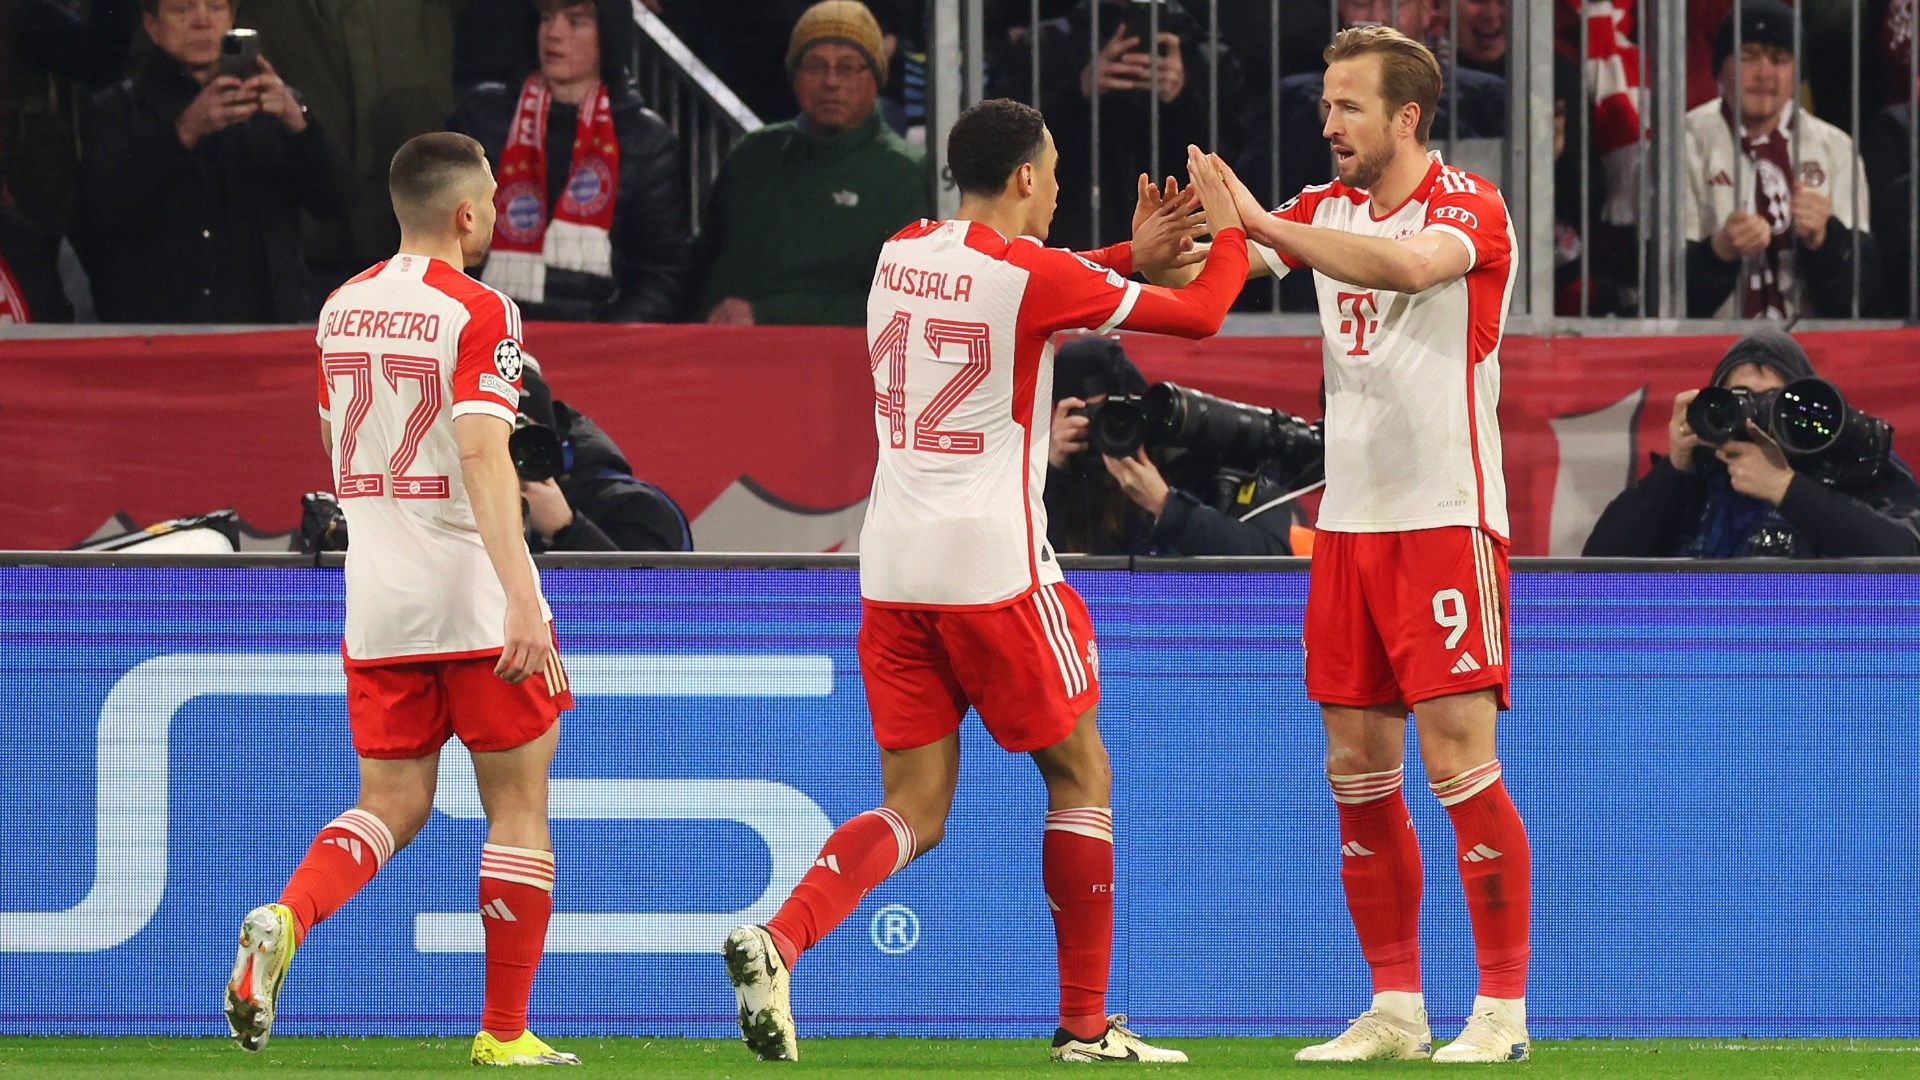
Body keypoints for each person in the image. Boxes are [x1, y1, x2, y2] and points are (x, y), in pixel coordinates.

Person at [721, 97, 1250, 1065]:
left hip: (891, 570)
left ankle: (781, 939)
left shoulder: (900, 250)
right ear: (1023, 180)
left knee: (912, 808)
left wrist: (1126, 255)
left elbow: (1027, 281)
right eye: (1048, 176)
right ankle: (1087, 1028)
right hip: (995, 569)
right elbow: (1206, 312)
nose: (1051, 192)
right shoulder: (1030, 277)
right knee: (1081, 773)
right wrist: (1234, 227)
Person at [1155, 23, 1530, 1063]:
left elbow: (1407, 271)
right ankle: (1397, 1008)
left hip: (1446, 523)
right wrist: (1149, 259)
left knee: (1461, 766)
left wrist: (1268, 222)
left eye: (1348, 106)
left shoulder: (1470, 207)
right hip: (1349, 532)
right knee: (1357, 770)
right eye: (1325, 106)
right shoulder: (1321, 211)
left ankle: (1500, 1012)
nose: (1327, 123)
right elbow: (1214, 287)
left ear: (1408, 116)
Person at [223, 132, 578, 1068]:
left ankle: (288, 915)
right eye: (495, 199)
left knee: (390, 800)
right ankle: (505, 1035)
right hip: (468, 588)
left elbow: (333, 435)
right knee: (517, 809)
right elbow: (480, 449)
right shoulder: (480, 308)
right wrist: (518, 596)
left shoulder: (340, 308)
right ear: (467, 214)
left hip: (376, 597)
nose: (499, 212)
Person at [76, 0, 350, 323]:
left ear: (232, 18)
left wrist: (300, 125)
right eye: (182, 10)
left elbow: (334, 200)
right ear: (151, 26)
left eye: (216, 8)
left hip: (266, 334)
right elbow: (103, 214)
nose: (202, 22)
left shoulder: (274, 104)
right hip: (160, 334)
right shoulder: (116, 111)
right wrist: (183, 134)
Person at [690, 0, 933, 326]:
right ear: (795, 76)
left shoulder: (904, 174)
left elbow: (904, 307)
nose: (831, 81)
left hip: (828, 368)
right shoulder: (753, 154)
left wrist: (767, 315)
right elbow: (700, 263)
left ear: (875, 78)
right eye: (815, 66)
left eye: (847, 67)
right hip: (715, 358)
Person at [1583, 330, 1920, 559]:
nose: (1754, 419)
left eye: (1773, 402)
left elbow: (1907, 555)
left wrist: (1786, 488)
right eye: (1741, 399)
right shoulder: (1699, 473)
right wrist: (1674, 470)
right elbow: (1597, 566)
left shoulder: (1845, 458)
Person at [452, 0, 689, 322]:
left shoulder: (646, 141)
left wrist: (603, 342)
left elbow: (663, 276)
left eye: (575, 21)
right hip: (484, 335)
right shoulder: (481, 117)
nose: (553, 33)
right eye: (547, 18)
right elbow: (440, 241)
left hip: (594, 349)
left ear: (608, 35)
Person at [983, 0, 1235, 254]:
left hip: (1176, 229)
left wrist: (1182, 96)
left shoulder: (1204, 51)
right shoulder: (1045, 43)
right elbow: (1007, 145)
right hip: (1073, 224)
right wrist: (1080, 90)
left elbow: (1231, 154)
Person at [1684, 0, 1878, 319]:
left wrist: (1826, 240)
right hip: (1708, 347)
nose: (1764, 73)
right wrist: (1719, 253)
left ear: (1796, 73)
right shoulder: (1685, 142)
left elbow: (1863, 291)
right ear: (1721, 66)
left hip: (1811, 352)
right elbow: (1655, 288)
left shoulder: (1836, 148)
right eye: (1749, 56)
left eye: (1780, 59)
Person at [1044, 335, 1311, 556]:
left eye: (1122, 413)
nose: (1114, 428)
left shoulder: (1204, 463)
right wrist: (1052, 472)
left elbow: (1274, 566)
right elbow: (1030, 567)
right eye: (1093, 416)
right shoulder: (1068, 478)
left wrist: (1165, 505)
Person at [514, 359, 693, 551]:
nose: (507, 455)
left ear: (551, 438)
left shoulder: (633, 507)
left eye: (521, 441)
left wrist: (567, 529)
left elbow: (660, 582)